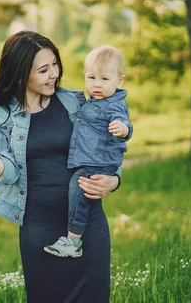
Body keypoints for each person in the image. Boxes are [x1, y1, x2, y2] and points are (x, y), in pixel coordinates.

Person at [0, 31, 121, 303]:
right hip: (39, 225)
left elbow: (107, 144)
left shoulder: (74, 101)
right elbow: (8, 173)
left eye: (55, 64)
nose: (54, 74)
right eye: (44, 70)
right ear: (21, 75)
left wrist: (114, 180)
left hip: (87, 223)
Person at [44, 45, 132, 258]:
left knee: (79, 188)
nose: (97, 85)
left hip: (98, 162)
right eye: (92, 78)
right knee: (79, 189)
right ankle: (72, 239)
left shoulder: (113, 104)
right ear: (84, 76)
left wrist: (122, 128)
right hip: (92, 159)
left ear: (119, 81)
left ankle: (73, 241)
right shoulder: (92, 101)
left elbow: (124, 121)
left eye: (104, 79)